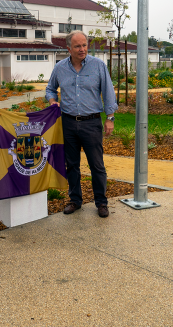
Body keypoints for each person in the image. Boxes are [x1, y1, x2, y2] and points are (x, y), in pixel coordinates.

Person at [45, 30, 117, 218]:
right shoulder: (60, 68)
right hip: (68, 123)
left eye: (84, 45)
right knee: (72, 165)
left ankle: (101, 202)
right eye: (77, 46)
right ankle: (75, 200)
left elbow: (108, 92)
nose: (82, 49)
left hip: (91, 123)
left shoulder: (98, 66)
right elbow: (50, 89)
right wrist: (52, 101)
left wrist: (110, 118)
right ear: (68, 48)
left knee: (97, 165)